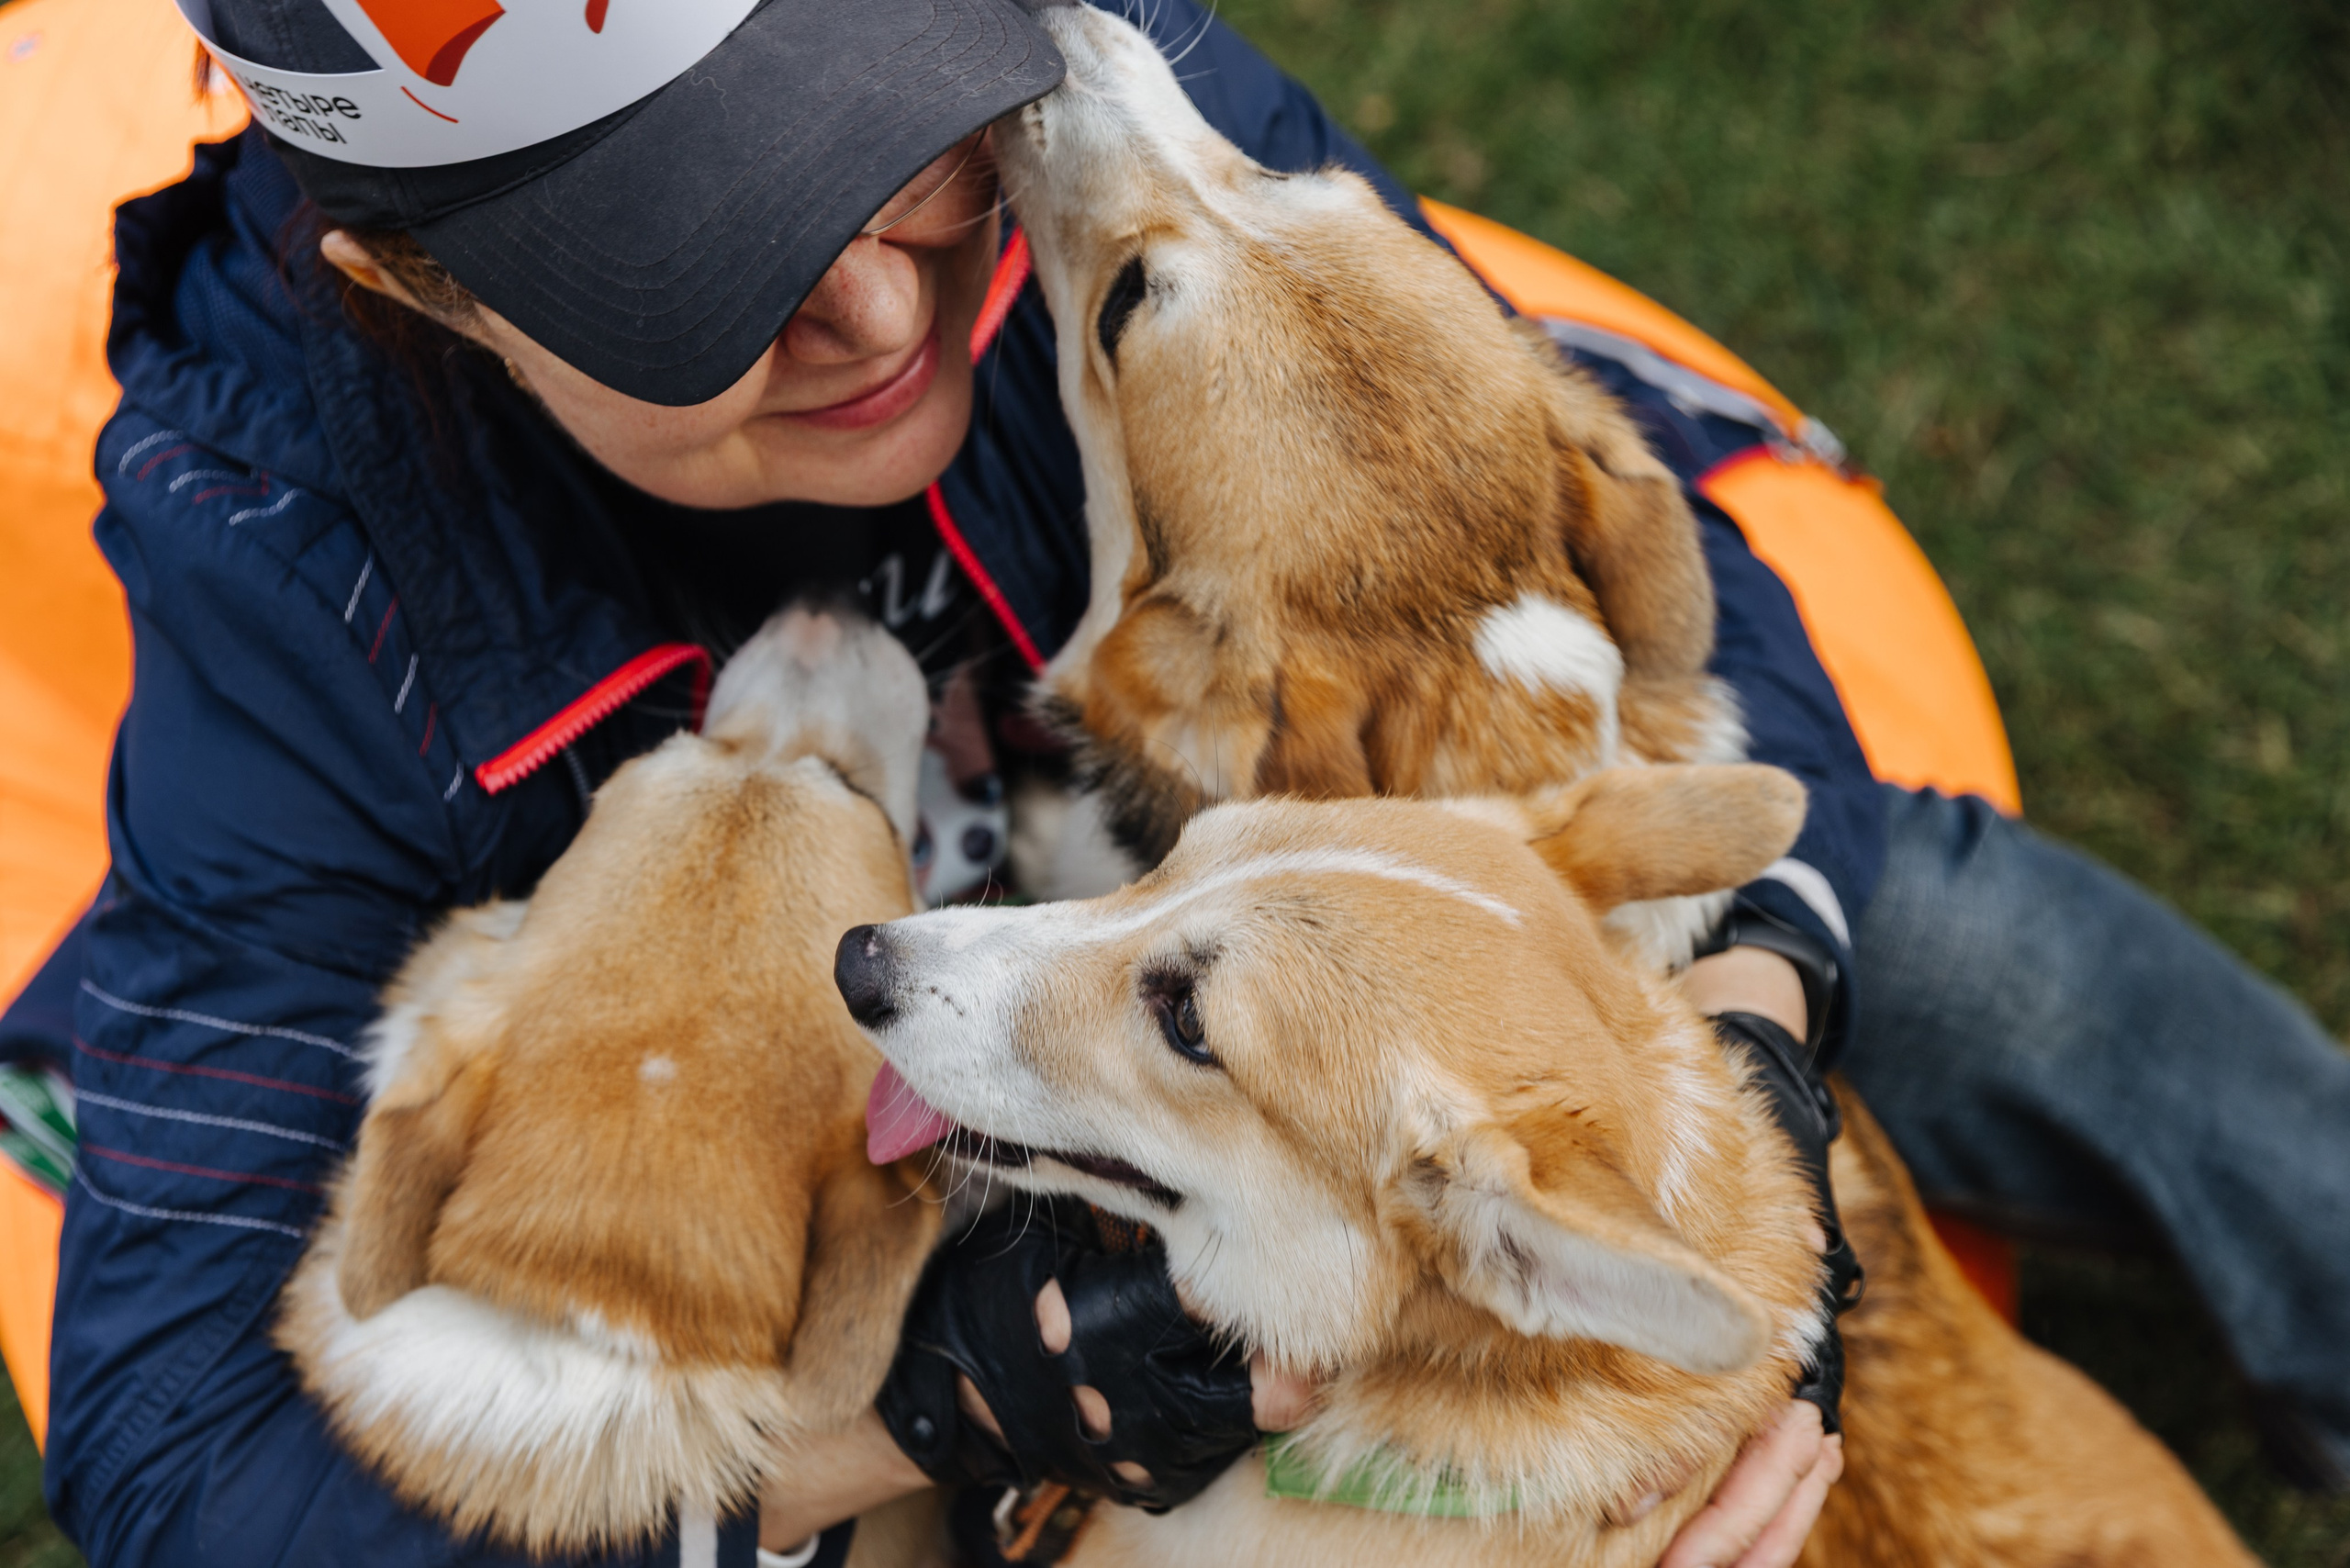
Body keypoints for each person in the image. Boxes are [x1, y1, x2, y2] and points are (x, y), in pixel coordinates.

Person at [6, 0, 2343, 1563]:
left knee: (1922, 913)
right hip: (949, 1071)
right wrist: (932, 1407)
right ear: (417, 284)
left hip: (1311, 925)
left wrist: (1726, 1069)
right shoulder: (280, 555)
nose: (890, 310)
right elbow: (174, 1456)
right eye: (696, 270)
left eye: (875, 151)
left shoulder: (1066, 57)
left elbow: (1633, 581)